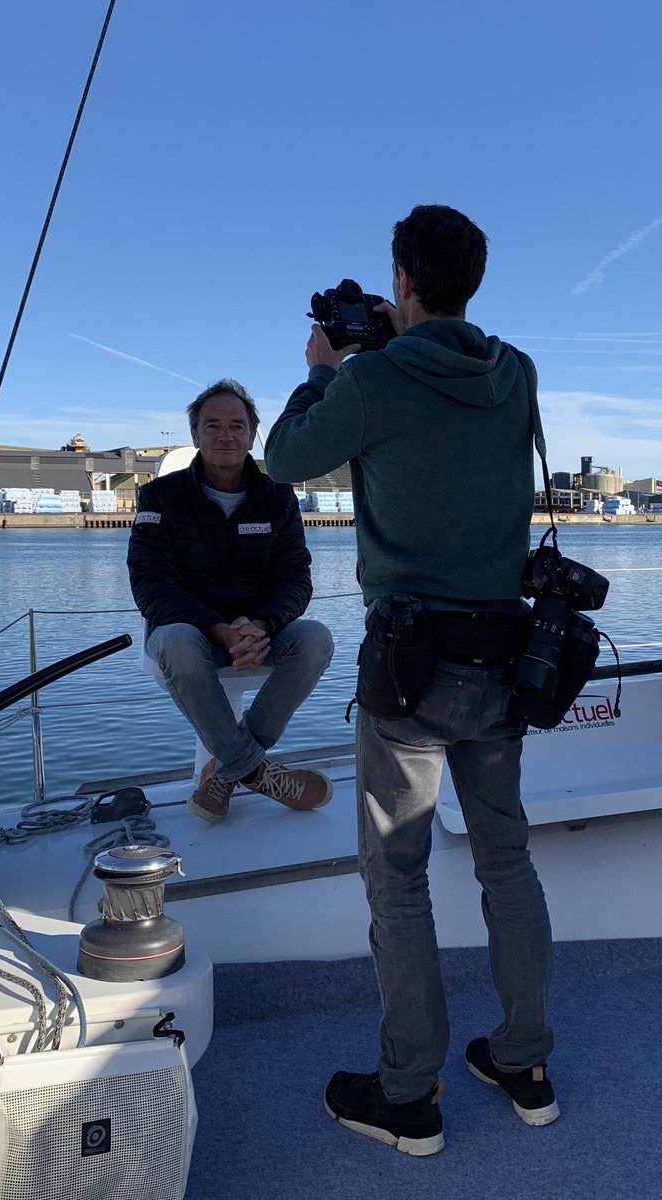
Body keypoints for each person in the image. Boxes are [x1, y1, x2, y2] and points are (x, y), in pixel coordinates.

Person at [264, 205, 557, 1156]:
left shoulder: (372, 379)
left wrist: (326, 366)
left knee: (398, 878)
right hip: (505, 662)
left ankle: (410, 1092)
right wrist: (400, 339)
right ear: (474, 277)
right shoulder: (516, 373)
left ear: (401, 278)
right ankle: (524, 1062)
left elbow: (284, 460)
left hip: (410, 668)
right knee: (507, 861)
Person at [128, 378, 334, 822]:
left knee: (316, 638)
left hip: (259, 630)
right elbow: (150, 583)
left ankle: (223, 775)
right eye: (213, 425)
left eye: (237, 426)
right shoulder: (159, 497)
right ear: (195, 434)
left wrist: (261, 626)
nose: (226, 435)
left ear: (251, 434)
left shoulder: (277, 496)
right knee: (175, 643)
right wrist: (218, 628)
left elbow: (296, 577)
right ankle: (258, 773)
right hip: (193, 631)